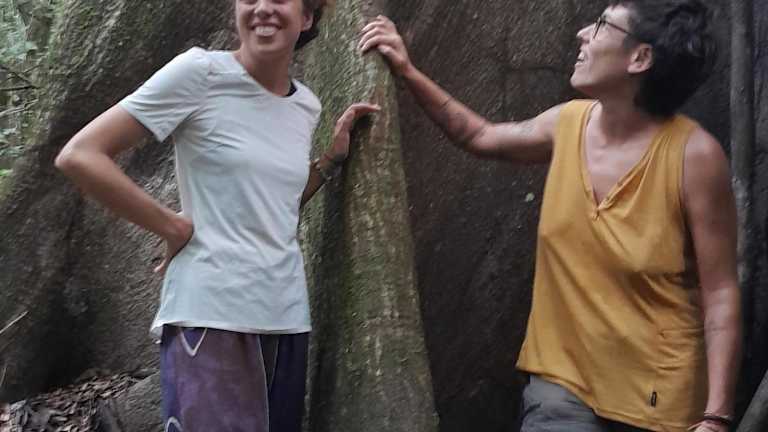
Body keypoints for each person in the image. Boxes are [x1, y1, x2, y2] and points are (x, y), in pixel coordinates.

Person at [360, 1, 741, 431]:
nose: (582, 33)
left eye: (602, 25)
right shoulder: (567, 124)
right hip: (562, 386)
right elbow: (480, 135)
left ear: (640, 57)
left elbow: (720, 293)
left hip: (659, 398)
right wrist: (406, 70)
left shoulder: (694, 157)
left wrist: (716, 418)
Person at [55, 0, 379, 431]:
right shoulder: (200, 73)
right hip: (211, 317)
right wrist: (172, 226)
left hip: (285, 319)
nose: (262, 8)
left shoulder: (306, 106)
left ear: (306, 17)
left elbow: (272, 206)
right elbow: (80, 155)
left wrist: (329, 161)